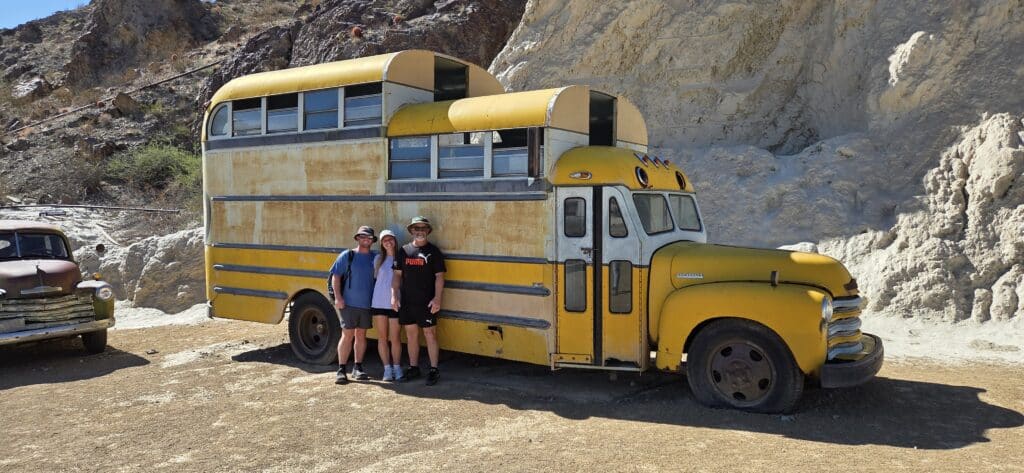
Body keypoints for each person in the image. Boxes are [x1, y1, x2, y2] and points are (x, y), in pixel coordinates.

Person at [391, 216, 446, 386]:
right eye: (417, 228)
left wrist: (437, 298)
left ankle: (434, 370)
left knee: (430, 334)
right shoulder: (404, 251)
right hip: (407, 302)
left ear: (428, 231)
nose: (420, 231)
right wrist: (394, 295)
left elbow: (439, 277)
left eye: (423, 228)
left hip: (427, 303)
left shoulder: (434, 252)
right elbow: (397, 276)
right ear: (412, 231)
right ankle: (414, 367)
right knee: (411, 335)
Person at [332, 225, 377, 385]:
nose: (366, 239)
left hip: (366, 304)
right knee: (347, 335)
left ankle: (358, 367)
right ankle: (341, 369)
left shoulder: (375, 257)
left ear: (372, 240)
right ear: (357, 238)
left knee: (361, 335)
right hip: (348, 303)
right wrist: (338, 298)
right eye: (363, 236)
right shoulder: (347, 255)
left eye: (369, 237)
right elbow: (336, 277)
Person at [370, 229, 403, 381]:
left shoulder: (401, 258)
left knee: (395, 338)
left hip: (395, 302)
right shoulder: (378, 259)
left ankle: (397, 367)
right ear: (382, 244)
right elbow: (375, 278)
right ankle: (387, 369)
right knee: (382, 337)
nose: (388, 242)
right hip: (378, 302)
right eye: (385, 240)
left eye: (390, 239)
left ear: (395, 241)